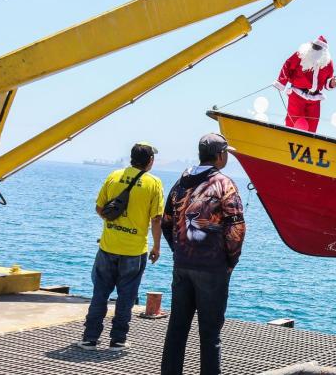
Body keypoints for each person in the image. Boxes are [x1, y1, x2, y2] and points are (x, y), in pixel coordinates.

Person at [161, 134, 246, 375]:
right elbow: (236, 228)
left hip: (182, 265)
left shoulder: (180, 183)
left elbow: (167, 222)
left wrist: (178, 250)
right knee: (210, 334)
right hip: (212, 268)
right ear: (220, 155)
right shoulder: (224, 184)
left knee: (177, 329)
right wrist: (230, 261)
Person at [77, 142, 164, 352]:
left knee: (100, 294)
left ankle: (90, 338)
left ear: (131, 158)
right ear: (150, 161)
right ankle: (117, 340)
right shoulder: (153, 183)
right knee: (126, 298)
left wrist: (113, 223)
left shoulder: (114, 176)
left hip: (108, 247)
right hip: (134, 251)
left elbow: (99, 208)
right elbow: (156, 219)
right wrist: (157, 247)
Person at [273, 35, 336, 133]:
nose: (315, 49)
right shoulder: (301, 54)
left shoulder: (327, 63)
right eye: (314, 46)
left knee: (312, 125)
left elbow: (327, 80)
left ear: (323, 50)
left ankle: (309, 141)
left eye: (318, 47)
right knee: (294, 122)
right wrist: (281, 82)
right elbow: (288, 65)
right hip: (297, 94)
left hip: (314, 99)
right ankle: (288, 137)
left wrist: (331, 84)